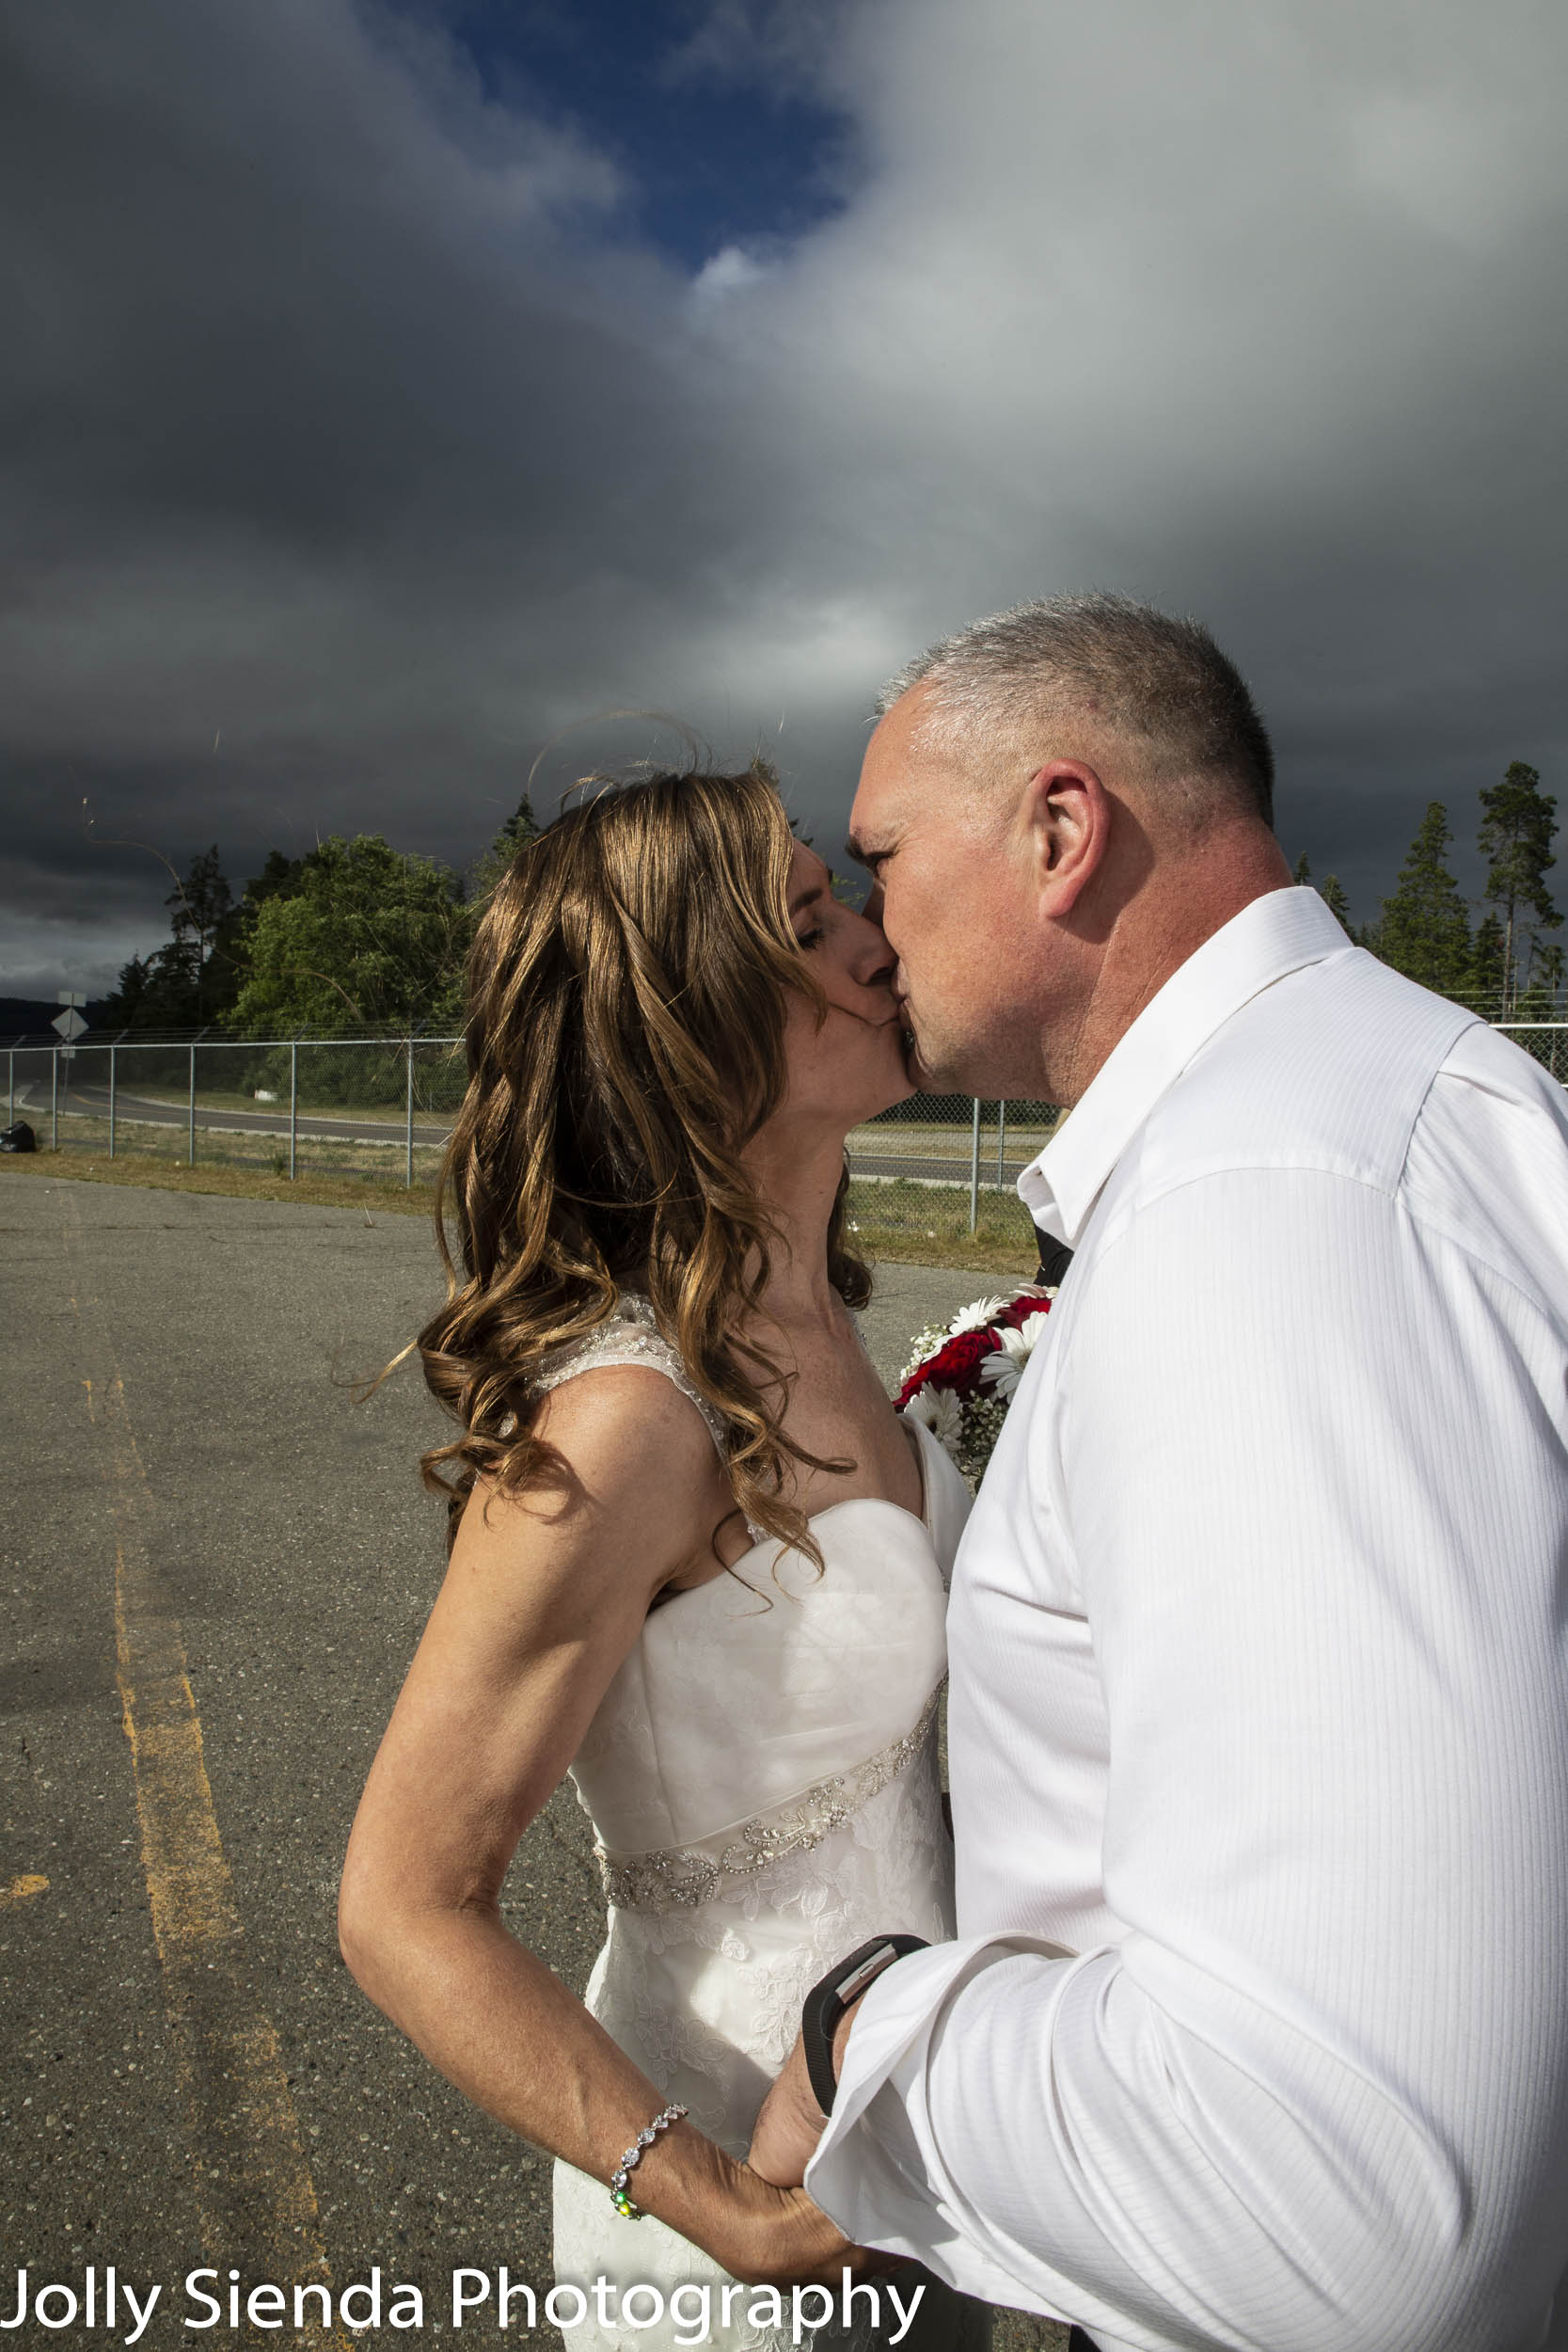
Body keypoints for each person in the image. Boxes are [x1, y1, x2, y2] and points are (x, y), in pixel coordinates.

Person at [750, 594, 1568, 2352]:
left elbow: (1367, 2222)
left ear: (1060, 833)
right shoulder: (1405, 1093)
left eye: (882, 856)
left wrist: (873, 2027)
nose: (874, 931)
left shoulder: (1262, 1208)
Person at [338, 762, 988, 2350]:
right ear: (690, 1022)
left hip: (935, 2167)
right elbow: (403, 1903)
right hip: (739, 2244)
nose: (880, 946)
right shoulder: (627, 1422)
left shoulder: (832, 1327)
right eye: (814, 923)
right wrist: (713, 2205)